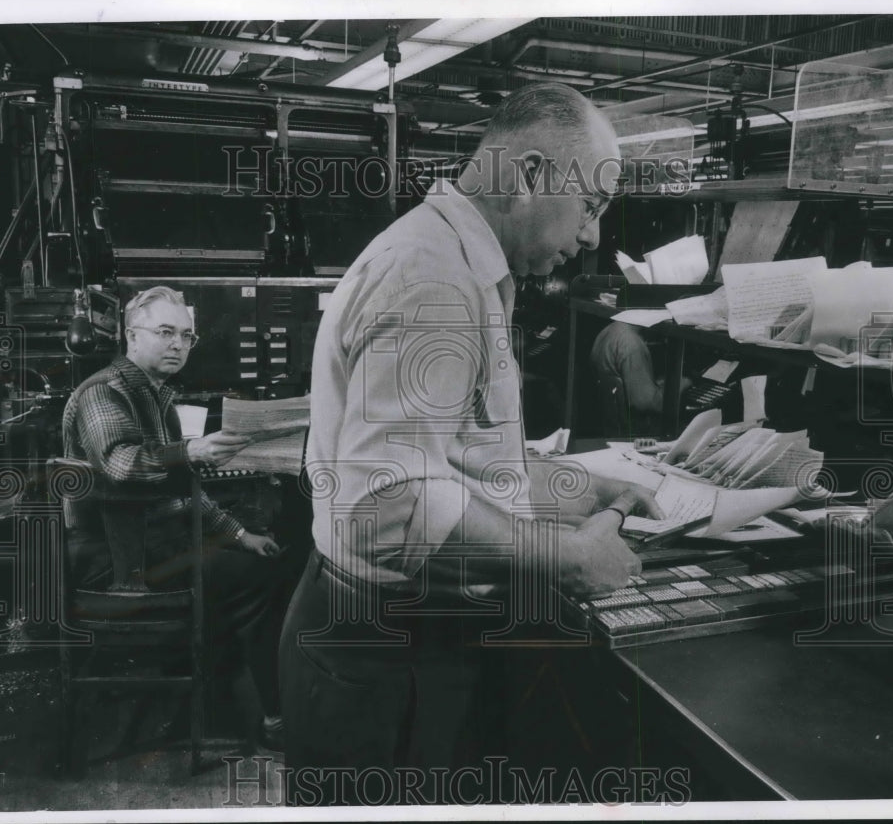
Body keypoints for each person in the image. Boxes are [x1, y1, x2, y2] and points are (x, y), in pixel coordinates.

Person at [279, 82, 664, 803]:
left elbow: (458, 457)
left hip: (407, 641)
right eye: (593, 207)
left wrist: (587, 488)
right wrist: (566, 554)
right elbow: (386, 502)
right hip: (386, 656)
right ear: (528, 176)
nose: (592, 239)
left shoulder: (467, 269)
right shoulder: (434, 280)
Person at [61, 285, 285, 750]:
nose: (178, 344)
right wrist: (193, 450)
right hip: (117, 562)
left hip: (149, 548)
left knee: (254, 556)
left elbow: (183, 494)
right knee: (259, 578)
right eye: (165, 332)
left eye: (186, 335)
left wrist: (240, 534)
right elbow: (122, 465)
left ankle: (210, 699)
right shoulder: (103, 394)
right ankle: (257, 713)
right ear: (131, 336)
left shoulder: (158, 397)